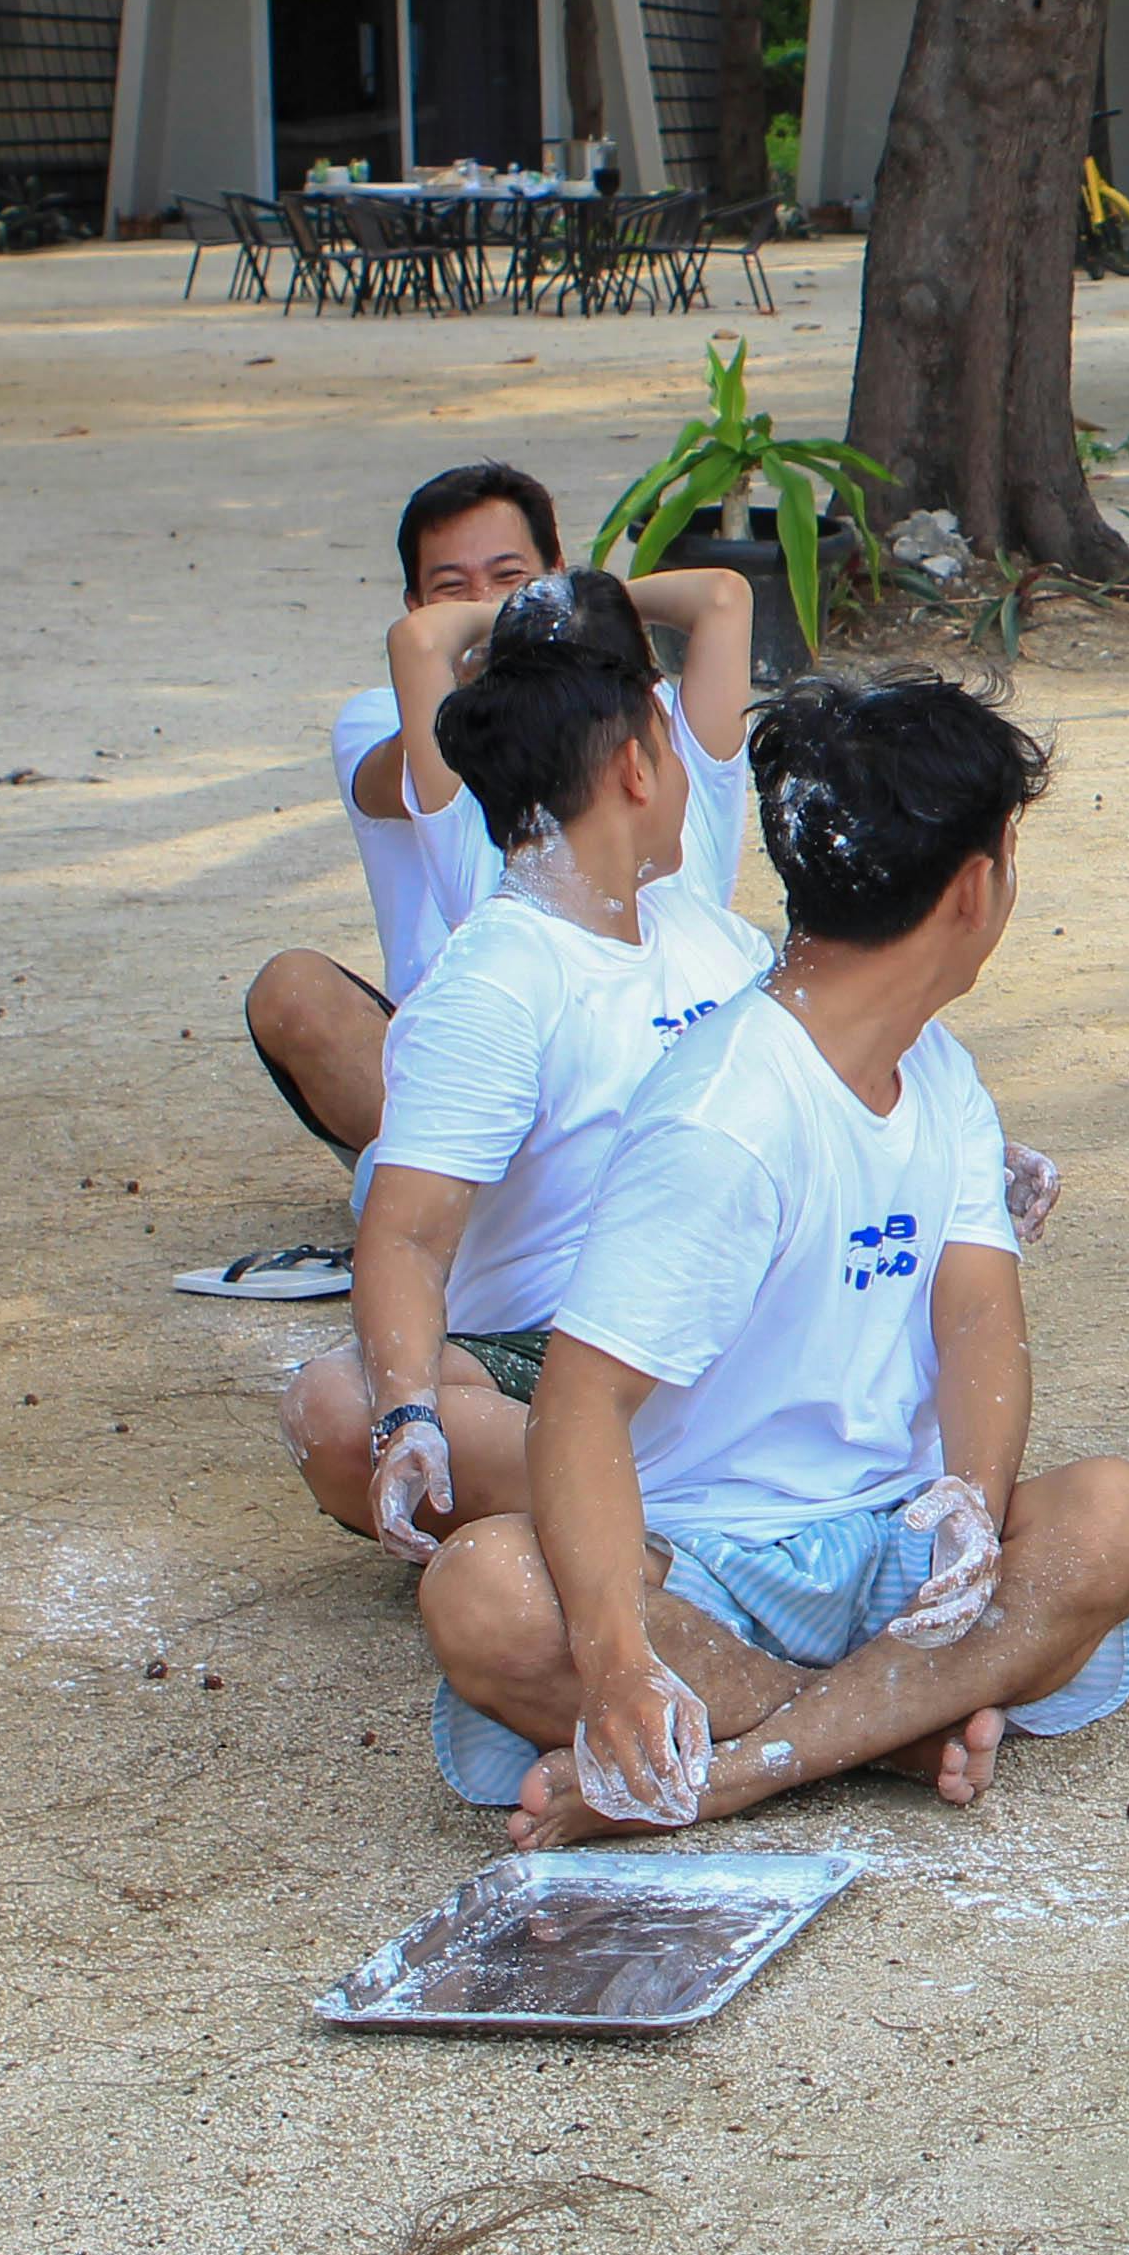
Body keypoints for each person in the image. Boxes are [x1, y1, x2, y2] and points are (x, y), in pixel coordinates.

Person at [414, 670, 1129, 1843]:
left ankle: (747, 1765)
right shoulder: (726, 1112)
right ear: (978, 888)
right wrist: (617, 1659)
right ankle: (880, 1728)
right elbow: (579, 1403)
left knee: (1114, 1515)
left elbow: (978, 1315)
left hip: (896, 1548)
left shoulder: (941, 1070)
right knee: (486, 1595)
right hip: (697, 1573)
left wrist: (971, 1504)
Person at [274, 574, 775, 1553]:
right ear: (637, 769)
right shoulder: (497, 981)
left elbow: (831, 1091)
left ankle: (668, 1509)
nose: (689, 773)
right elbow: (406, 1239)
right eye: (672, 745)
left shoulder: (710, 935)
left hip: (726, 1339)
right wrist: (409, 1411)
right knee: (338, 1409)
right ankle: (698, 1509)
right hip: (549, 1362)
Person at [204, 461, 749, 1300]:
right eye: (453, 587)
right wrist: (532, 624)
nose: (486, 600)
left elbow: (723, 597)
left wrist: (572, 609)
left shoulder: (671, 755)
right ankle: (432, 1175)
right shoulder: (483, 804)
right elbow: (419, 647)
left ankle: (419, 1188)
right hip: (499, 1082)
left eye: (511, 578)